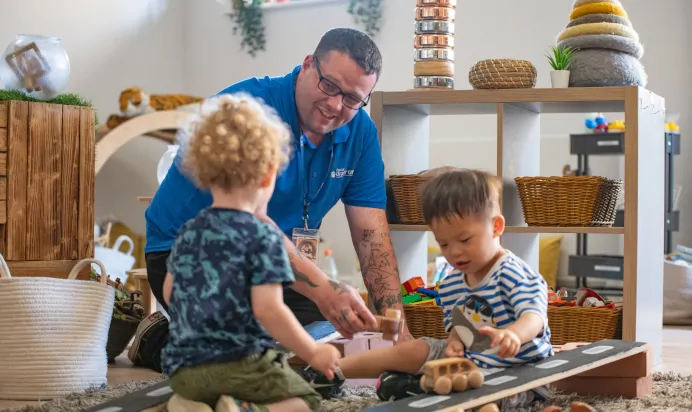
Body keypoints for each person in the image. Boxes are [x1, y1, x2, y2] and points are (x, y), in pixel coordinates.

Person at [131, 27, 414, 375]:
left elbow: (372, 236)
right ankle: (157, 338)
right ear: (308, 65)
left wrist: (394, 326)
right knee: (242, 356)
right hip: (192, 248)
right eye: (329, 86)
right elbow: (250, 221)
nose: (335, 105)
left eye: (353, 99)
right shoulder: (247, 111)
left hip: (275, 259)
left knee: (314, 347)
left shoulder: (361, 134)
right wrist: (325, 291)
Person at [162, 92, 341, 412]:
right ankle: (247, 409)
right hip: (240, 367)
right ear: (267, 174)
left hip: (183, 369)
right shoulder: (262, 237)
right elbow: (270, 311)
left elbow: (171, 292)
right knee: (308, 400)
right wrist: (313, 352)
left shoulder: (189, 231)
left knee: (206, 385)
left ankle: (192, 402)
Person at [333, 168, 554, 410]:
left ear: (496, 227)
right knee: (416, 348)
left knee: (483, 399)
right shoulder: (451, 283)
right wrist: (455, 341)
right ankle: (333, 369)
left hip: (521, 372)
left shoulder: (513, 273)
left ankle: (437, 391)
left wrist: (514, 334)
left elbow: (535, 317)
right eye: (444, 243)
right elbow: (461, 325)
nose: (454, 252)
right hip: (471, 360)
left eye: (465, 240)